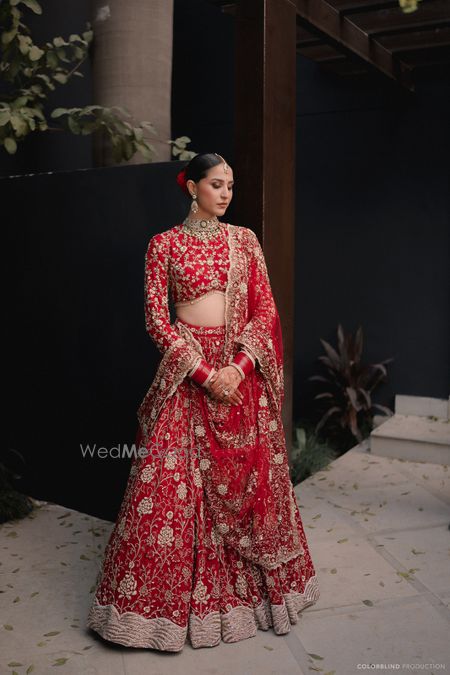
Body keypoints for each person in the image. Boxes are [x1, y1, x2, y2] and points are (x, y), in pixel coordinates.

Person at [86, 152, 320, 651]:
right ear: (191, 187)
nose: (226, 193)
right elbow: (156, 319)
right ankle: (152, 616)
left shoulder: (245, 241)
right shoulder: (163, 245)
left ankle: (254, 602)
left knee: (251, 484)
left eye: (231, 185)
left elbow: (264, 310)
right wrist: (203, 372)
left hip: (241, 375)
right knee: (168, 488)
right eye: (217, 184)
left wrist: (236, 368)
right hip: (187, 373)